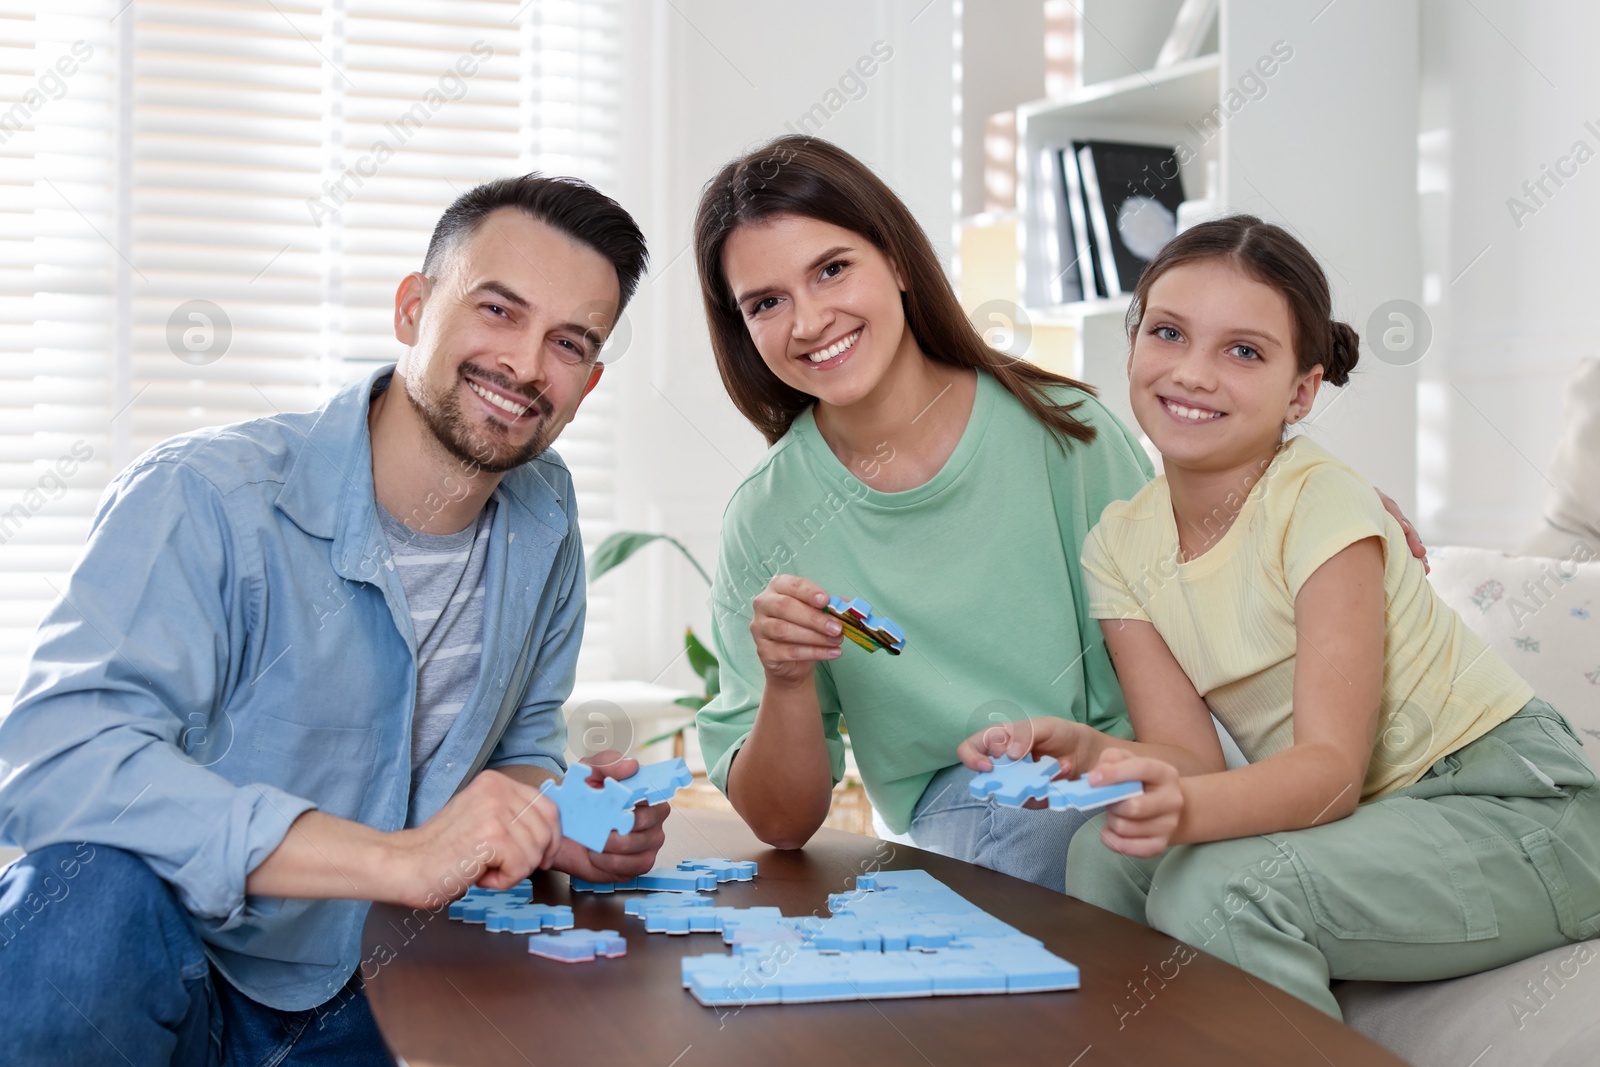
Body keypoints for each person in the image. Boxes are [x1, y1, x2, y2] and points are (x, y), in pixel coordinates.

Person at [0, 175, 667, 1065]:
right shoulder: (204, 497)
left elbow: (521, 743)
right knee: (77, 890)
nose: (524, 364)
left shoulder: (545, 516)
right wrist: (396, 859)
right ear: (411, 309)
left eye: (568, 342)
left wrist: (557, 820)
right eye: (499, 310)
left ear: (585, 385)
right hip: (181, 966)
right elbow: (57, 763)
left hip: (384, 986)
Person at [689, 136, 1426, 891]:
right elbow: (783, 823)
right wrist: (785, 680)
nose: (809, 320)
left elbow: (1195, 559)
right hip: (972, 807)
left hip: (1145, 764)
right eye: (766, 302)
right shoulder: (768, 516)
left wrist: (1322, 510)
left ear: (898, 263)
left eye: (833, 269)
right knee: (1033, 846)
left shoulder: (1063, 430)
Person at [959, 214, 1600, 1019]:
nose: (1193, 372)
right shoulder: (1120, 546)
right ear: (1131, 346)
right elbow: (1187, 759)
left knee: (1216, 885)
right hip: (1389, 815)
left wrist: (1185, 811)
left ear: (1301, 390)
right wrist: (1088, 751)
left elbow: (1330, 772)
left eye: (1244, 351)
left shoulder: (1319, 498)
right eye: (1168, 332)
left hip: (1515, 809)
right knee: (1103, 855)